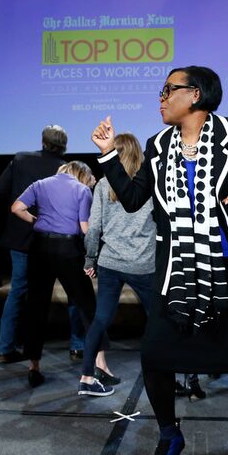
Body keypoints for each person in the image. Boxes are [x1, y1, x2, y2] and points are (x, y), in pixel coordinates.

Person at [91, 65, 228, 455]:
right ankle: (170, 436)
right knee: (155, 357)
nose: (160, 97)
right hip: (178, 271)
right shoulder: (158, 144)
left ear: (196, 94)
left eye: (169, 89)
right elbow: (131, 199)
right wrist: (109, 154)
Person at [79, 133, 155, 396]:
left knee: (100, 320)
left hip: (110, 261)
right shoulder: (150, 183)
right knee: (157, 321)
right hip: (144, 263)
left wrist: (90, 259)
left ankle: (87, 377)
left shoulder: (102, 184)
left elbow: (94, 229)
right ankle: (163, 376)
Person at [12, 160, 98, 388]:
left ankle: (34, 366)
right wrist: (94, 254)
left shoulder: (40, 184)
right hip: (68, 249)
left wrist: (37, 221)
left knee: (36, 306)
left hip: (39, 246)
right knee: (86, 306)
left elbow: (16, 208)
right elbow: (84, 228)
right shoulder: (82, 190)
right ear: (82, 174)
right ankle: (97, 366)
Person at [0, 125, 68, 363]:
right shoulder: (65, 168)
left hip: (20, 234)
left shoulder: (20, 159)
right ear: (64, 145)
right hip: (53, 236)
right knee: (72, 289)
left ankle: (6, 347)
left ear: (43, 142)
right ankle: (78, 345)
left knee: (18, 290)